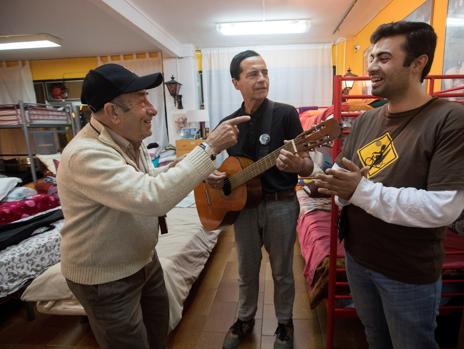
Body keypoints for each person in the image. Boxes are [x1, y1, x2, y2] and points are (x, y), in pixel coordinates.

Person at [56, 63, 250, 349]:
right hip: (106, 278)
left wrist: (193, 167)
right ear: (112, 113)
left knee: (159, 332)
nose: (153, 109)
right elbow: (152, 196)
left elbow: (143, 180)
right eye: (142, 101)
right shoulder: (86, 155)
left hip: (144, 260)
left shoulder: (129, 141)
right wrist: (208, 148)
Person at [315, 22, 464, 349]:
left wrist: (357, 191)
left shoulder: (452, 119)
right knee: (375, 338)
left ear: (418, 63)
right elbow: (343, 179)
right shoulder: (366, 120)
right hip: (357, 259)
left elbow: (444, 207)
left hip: (406, 272)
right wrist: (326, 178)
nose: (372, 66)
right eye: (372, 57)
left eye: (384, 58)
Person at [206, 50, 314, 349]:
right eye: (252, 74)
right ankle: (244, 319)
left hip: (280, 204)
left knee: (282, 271)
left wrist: (299, 166)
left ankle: (284, 325)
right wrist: (210, 177)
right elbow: (209, 161)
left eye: (265, 72)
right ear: (235, 82)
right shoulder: (228, 123)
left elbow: (307, 164)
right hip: (242, 207)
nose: (261, 79)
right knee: (246, 270)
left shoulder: (286, 114)